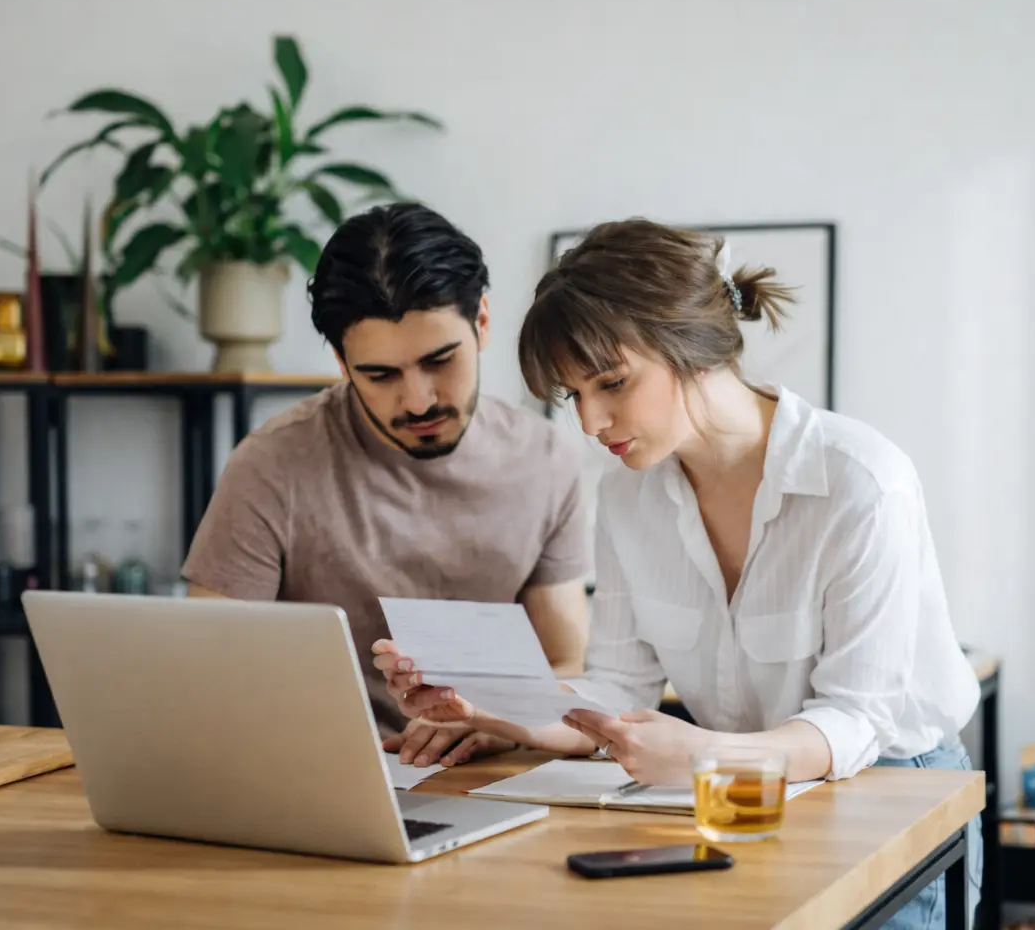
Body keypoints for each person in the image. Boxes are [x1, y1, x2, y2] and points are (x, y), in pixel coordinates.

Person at [373, 218, 982, 929]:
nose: (591, 422)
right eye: (573, 395)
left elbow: (856, 721)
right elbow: (618, 688)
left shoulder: (861, 482)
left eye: (612, 383)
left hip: (890, 788)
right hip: (731, 789)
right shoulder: (629, 497)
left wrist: (706, 753)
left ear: (689, 346)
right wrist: (482, 703)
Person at [183, 202, 592, 766]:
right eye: (380, 375)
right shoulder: (272, 464)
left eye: (440, 360)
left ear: (483, 324)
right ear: (341, 362)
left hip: (494, 773)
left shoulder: (544, 460)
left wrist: (500, 725)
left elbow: (567, 664)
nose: (419, 400)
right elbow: (204, 673)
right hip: (325, 773)